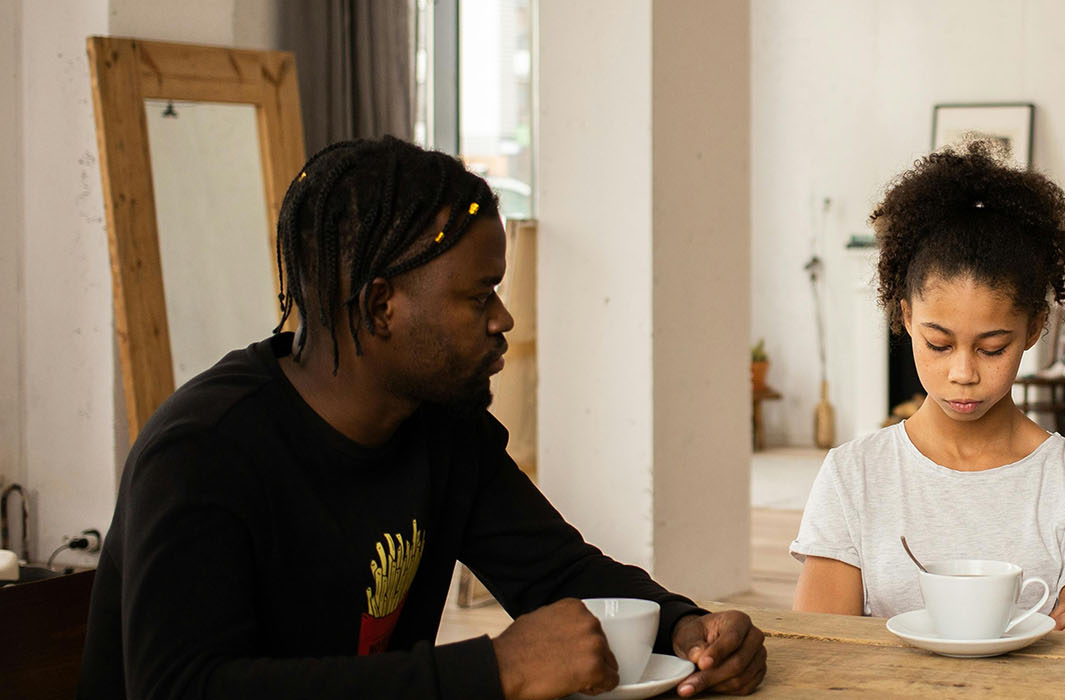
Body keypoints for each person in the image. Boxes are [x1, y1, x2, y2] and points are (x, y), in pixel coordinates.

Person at [79, 137, 767, 700]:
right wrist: (493, 671)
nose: (504, 320)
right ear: (383, 307)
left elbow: (554, 571)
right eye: (480, 296)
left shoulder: (441, 426)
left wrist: (686, 627)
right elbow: (183, 689)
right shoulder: (204, 452)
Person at [789, 142, 1065, 634]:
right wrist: (1033, 635)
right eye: (938, 344)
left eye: (992, 348)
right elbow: (822, 650)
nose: (964, 373)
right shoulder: (853, 476)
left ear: (1035, 328)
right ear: (906, 317)